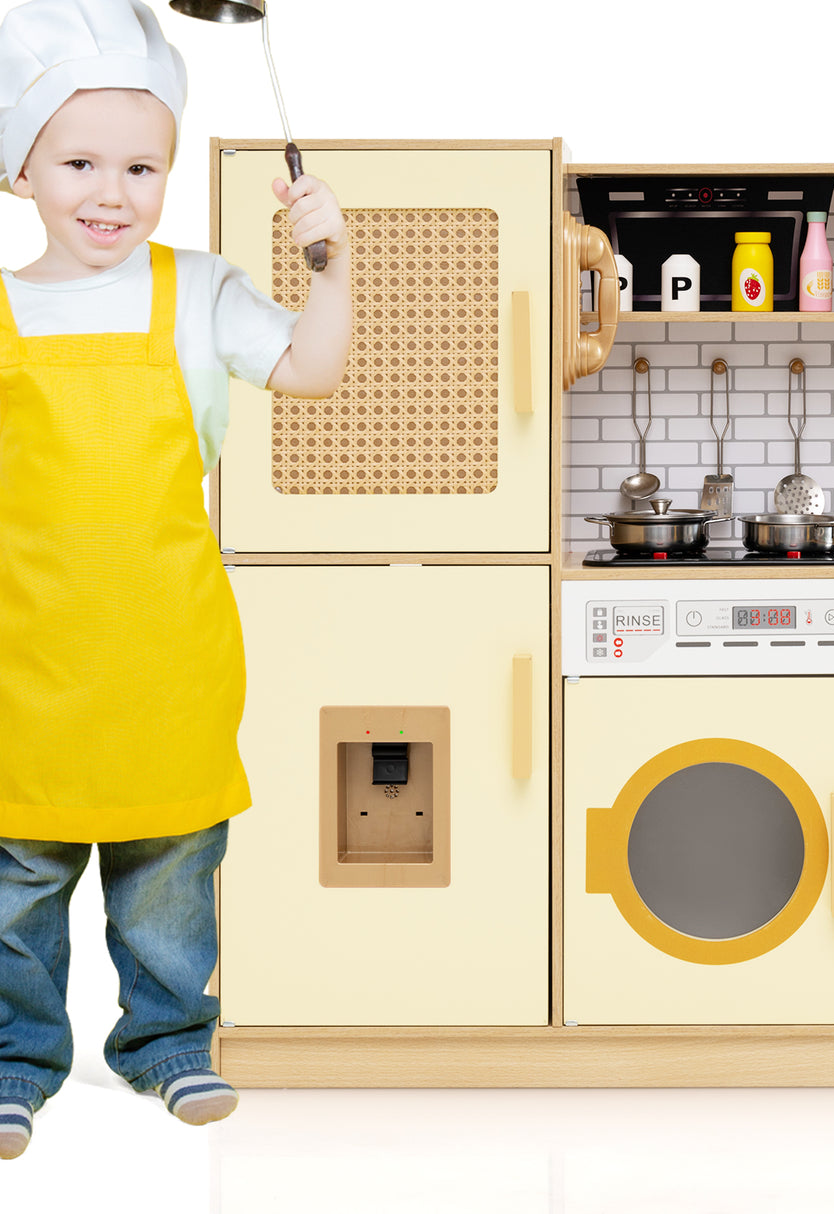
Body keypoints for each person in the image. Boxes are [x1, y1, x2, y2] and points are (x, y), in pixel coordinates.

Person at [0, 0, 351, 1159]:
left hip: (164, 663)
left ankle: (167, 1042)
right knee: (15, 892)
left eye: (141, 165)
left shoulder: (195, 289)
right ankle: (14, 1060)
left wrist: (330, 260)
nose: (113, 191)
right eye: (80, 160)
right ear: (20, 168)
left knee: (168, 883)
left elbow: (309, 367)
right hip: (26, 670)